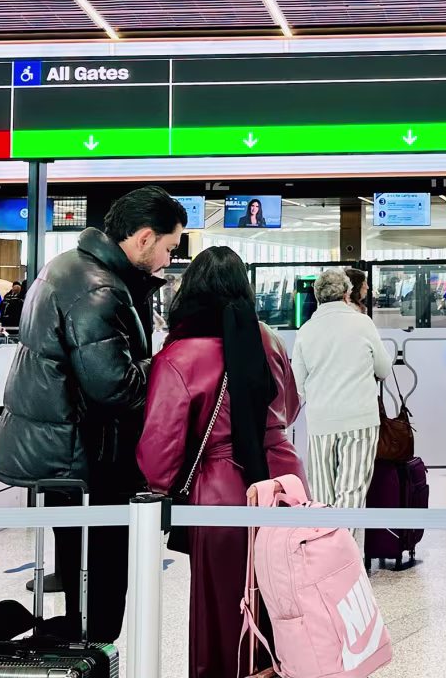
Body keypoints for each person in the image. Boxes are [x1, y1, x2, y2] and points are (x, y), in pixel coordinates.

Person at [0, 186, 186, 642]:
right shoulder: (98, 289)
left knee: (82, 579)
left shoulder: (68, 267)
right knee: (101, 590)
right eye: (168, 247)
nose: (167, 260)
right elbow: (114, 385)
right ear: (142, 238)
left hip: (67, 454)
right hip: (91, 461)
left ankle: (85, 654)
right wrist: (169, 363)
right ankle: (94, 659)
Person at [138, 246, 303, 678]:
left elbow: (159, 456)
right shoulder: (268, 338)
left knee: (224, 610)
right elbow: (290, 406)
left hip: (222, 492)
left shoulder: (178, 356)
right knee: (286, 604)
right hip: (285, 482)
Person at [290, 268, 392, 539]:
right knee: (352, 490)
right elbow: (383, 368)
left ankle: (326, 554)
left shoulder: (306, 331)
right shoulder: (363, 323)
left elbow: (297, 384)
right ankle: (342, 556)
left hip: (322, 420)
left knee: (323, 494)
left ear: (317, 297)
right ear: (348, 294)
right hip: (360, 418)